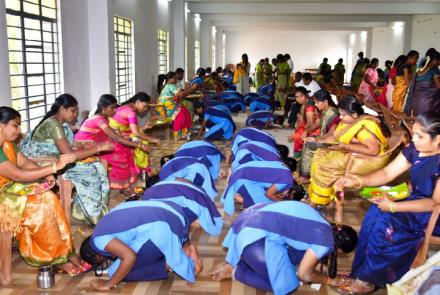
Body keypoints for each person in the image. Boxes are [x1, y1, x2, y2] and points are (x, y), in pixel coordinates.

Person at [334, 111, 440, 293]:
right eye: (413, 133)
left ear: (438, 139)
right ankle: (361, 272)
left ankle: (371, 279)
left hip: (432, 214)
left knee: (387, 223)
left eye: (419, 136)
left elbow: (434, 204)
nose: (413, 139)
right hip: (414, 201)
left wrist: (394, 206)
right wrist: (357, 180)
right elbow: (387, 173)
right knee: (375, 212)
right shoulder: (416, 150)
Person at [0, 107, 91, 284]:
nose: (19, 131)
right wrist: (53, 167)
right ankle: (56, 257)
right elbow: (17, 175)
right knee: (41, 207)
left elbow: (25, 163)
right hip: (5, 195)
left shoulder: (7, 145)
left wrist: (44, 174)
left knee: (49, 198)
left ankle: (65, 254)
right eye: (15, 126)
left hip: (9, 192)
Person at [209, 201, 358, 295]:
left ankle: (246, 261)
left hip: (249, 218)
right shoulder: (325, 243)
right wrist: (329, 280)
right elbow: (304, 275)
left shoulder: (326, 224)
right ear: (339, 249)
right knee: (287, 286)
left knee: (297, 257)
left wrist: (326, 271)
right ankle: (236, 271)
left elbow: (309, 255)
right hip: (254, 238)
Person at [21, 94, 114, 225]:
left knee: (97, 165)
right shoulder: (54, 124)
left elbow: (63, 145)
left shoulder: (59, 122)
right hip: (45, 162)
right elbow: (69, 154)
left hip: (57, 158)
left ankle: (86, 209)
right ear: (62, 110)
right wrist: (99, 147)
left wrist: (80, 144)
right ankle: (89, 213)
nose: (75, 114)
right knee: (89, 171)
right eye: (73, 110)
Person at [79, 200, 203, 290]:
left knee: (117, 271)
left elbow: (130, 257)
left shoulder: (98, 241)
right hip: (175, 211)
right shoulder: (103, 223)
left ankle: (170, 264)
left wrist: (110, 283)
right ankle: (185, 248)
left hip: (162, 228)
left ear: (96, 256)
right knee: (136, 252)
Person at [308, 96, 389, 208]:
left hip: (367, 158)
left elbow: (373, 150)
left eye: (343, 114)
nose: (340, 117)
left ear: (355, 114)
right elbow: (335, 136)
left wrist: (346, 146)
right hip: (350, 151)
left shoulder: (364, 126)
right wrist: (317, 141)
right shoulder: (349, 121)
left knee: (325, 166)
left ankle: (317, 201)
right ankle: (321, 197)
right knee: (320, 153)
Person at [74, 95, 150, 189]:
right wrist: (139, 145)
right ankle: (117, 183)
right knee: (120, 152)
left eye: (115, 107)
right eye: (112, 108)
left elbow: (111, 134)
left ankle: (128, 181)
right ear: (103, 108)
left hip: (96, 143)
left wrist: (126, 139)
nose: (114, 110)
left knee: (126, 147)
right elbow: (116, 137)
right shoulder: (99, 119)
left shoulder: (105, 118)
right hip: (85, 145)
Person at [109, 92, 160, 185]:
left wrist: (144, 127)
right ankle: (141, 171)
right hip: (113, 136)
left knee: (142, 138)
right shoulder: (130, 111)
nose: (145, 109)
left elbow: (130, 130)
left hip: (119, 133)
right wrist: (153, 140)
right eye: (144, 106)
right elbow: (135, 133)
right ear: (137, 102)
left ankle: (143, 170)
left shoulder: (128, 107)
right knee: (142, 142)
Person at [142, 180, 223, 235]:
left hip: (195, 202)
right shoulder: (162, 184)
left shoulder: (148, 197)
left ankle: (189, 223)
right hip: (199, 194)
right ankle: (194, 221)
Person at [221, 160, 293, 215]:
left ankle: (232, 182)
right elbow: (268, 194)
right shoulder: (287, 180)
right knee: (266, 203)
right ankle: (237, 197)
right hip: (243, 178)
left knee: (266, 194)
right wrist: (283, 202)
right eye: (286, 195)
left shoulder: (285, 169)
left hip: (242, 169)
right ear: (291, 189)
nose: (283, 195)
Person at [299, 90, 339, 180]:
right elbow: (316, 124)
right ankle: (304, 172)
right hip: (324, 137)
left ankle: (304, 176)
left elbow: (331, 134)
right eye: (315, 102)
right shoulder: (325, 111)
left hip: (331, 141)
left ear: (325, 102)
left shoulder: (332, 113)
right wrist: (306, 132)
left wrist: (316, 139)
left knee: (309, 145)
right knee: (306, 141)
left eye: (317, 102)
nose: (315, 105)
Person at [157, 71, 197, 140]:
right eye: (175, 78)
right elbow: (181, 94)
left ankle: (183, 134)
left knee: (185, 112)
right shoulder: (170, 86)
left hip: (166, 107)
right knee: (182, 114)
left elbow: (180, 94)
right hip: (166, 109)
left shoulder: (168, 85)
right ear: (170, 79)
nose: (176, 80)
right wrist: (192, 88)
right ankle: (179, 135)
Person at [288, 87, 320, 158]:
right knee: (296, 132)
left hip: (315, 129)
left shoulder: (310, 106)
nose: (299, 99)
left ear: (306, 95)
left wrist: (300, 134)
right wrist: (296, 131)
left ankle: (298, 158)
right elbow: (302, 120)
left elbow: (310, 124)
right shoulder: (304, 104)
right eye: (296, 97)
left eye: (301, 96)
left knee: (297, 137)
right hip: (309, 126)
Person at [407, 50, 440, 116]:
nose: (439, 63)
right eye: (438, 60)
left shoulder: (419, 69)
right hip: (428, 104)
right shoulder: (434, 70)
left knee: (418, 121)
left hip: (415, 102)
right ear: (434, 60)